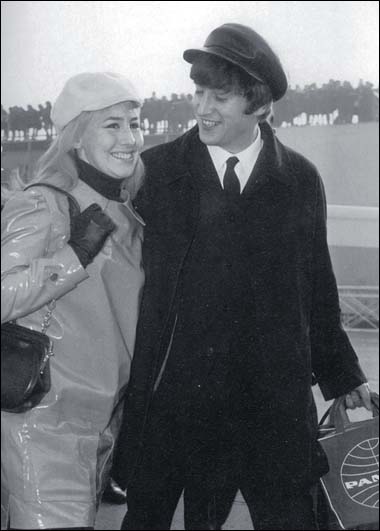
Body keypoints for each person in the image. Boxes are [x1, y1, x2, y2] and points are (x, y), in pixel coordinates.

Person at [112, 23, 372, 531]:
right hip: (177, 404)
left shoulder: (299, 179)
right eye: (198, 92)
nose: (202, 107)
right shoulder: (156, 173)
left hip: (272, 405)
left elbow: (316, 285)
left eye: (221, 96)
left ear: (259, 104)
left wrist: (342, 374)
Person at [1, 71, 145, 530]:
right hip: (44, 427)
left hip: (99, 429)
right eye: (111, 125)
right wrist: (73, 255)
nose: (130, 137)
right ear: (76, 139)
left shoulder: (128, 213)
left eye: (134, 122)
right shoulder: (46, 204)